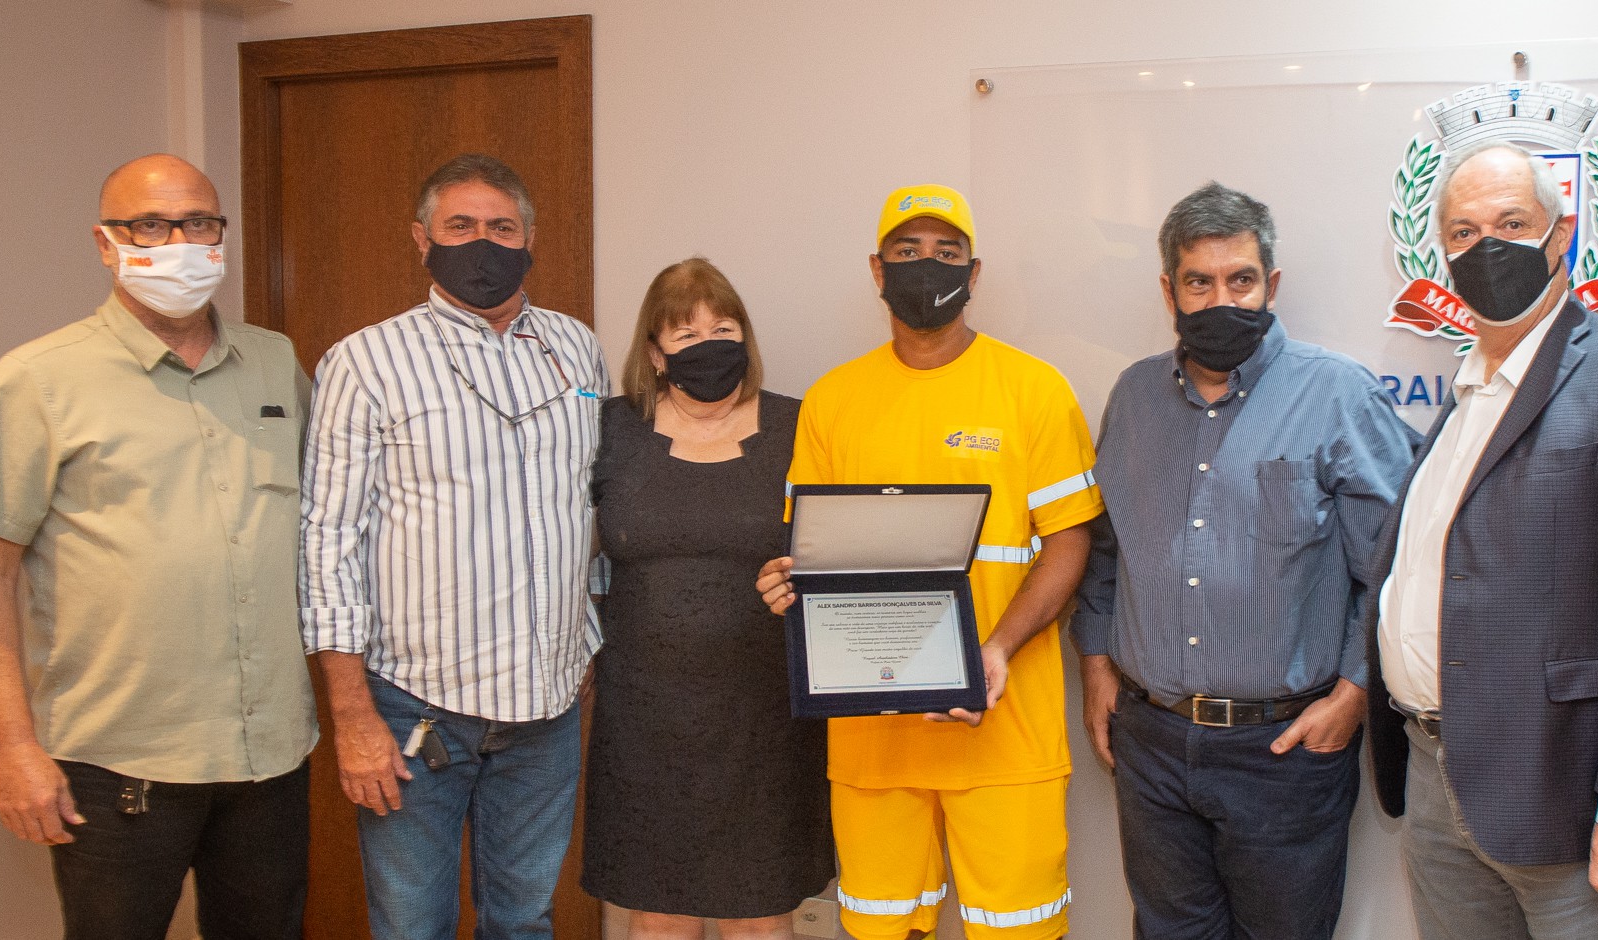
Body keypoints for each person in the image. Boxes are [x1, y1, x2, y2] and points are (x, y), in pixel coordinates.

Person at [0, 153, 314, 940]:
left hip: (269, 757)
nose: (179, 243)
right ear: (106, 243)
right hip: (118, 767)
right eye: (150, 225)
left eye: (198, 223)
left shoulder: (274, 363)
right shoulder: (39, 378)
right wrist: (14, 751)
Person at [1364, 140, 1598, 940]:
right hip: (1433, 780)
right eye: (1462, 233)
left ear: (1560, 236)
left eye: (1511, 223)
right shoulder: (1466, 390)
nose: (1485, 247)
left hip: (1565, 796)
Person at [755, 184, 1102, 940]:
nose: (926, 265)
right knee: (882, 929)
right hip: (872, 742)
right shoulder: (833, 400)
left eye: (946, 252)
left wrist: (995, 651)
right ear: (876, 269)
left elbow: (1070, 541)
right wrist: (788, 584)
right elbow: (813, 555)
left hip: (1002, 731)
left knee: (1017, 930)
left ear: (973, 274)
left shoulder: (1034, 391)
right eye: (907, 251)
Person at [1071, 181, 1416, 939]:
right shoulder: (1133, 396)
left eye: (1241, 280)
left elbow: (1397, 569)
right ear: (1169, 289)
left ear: (1272, 285)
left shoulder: (1337, 394)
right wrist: (1096, 665)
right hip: (1152, 745)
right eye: (1199, 282)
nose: (1221, 300)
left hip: (1283, 753)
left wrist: (1355, 693)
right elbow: (1105, 550)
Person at [299, 153, 607, 940]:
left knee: (524, 920)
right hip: (415, 708)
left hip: (546, 710)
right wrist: (352, 715)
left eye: (501, 227)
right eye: (460, 225)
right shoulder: (364, 362)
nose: (482, 243)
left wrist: (588, 639)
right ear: (421, 239)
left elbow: (593, 502)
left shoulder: (576, 349)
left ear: (530, 237)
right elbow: (327, 540)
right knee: (413, 927)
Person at [581, 257, 831, 939]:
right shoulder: (612, 430)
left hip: (767, 713)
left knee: (760, 913)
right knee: (656, 914)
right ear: (655, 353)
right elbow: (562, 546)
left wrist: (807, 582)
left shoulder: (798, 426)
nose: (708, 346)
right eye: (686, 335)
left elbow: (841, 551)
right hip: (643, 715)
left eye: (723, 329)